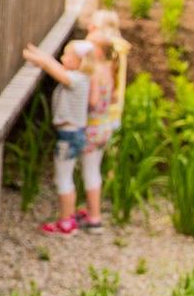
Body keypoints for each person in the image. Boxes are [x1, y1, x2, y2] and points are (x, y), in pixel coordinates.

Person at [23, 38, 93, 234]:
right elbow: (54, 65)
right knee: (66, 176)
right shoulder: (79, 76)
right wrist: (40, 54)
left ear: (79, 60)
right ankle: (67, 217)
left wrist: (34, 57)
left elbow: (54, 70)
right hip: (74, 134)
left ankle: (65, 221)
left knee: (63, 178)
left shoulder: (76, 80)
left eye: (67, 55)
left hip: (69, 136)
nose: (62, 57)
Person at [78, 28, 127, 233]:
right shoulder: (108, 68)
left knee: (89, 171)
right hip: (104, 127)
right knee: (94, 170)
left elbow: (94, 101)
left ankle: (94, 217)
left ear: (98, 51)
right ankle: (92, 212)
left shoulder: (94, 72)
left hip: (92, 127)